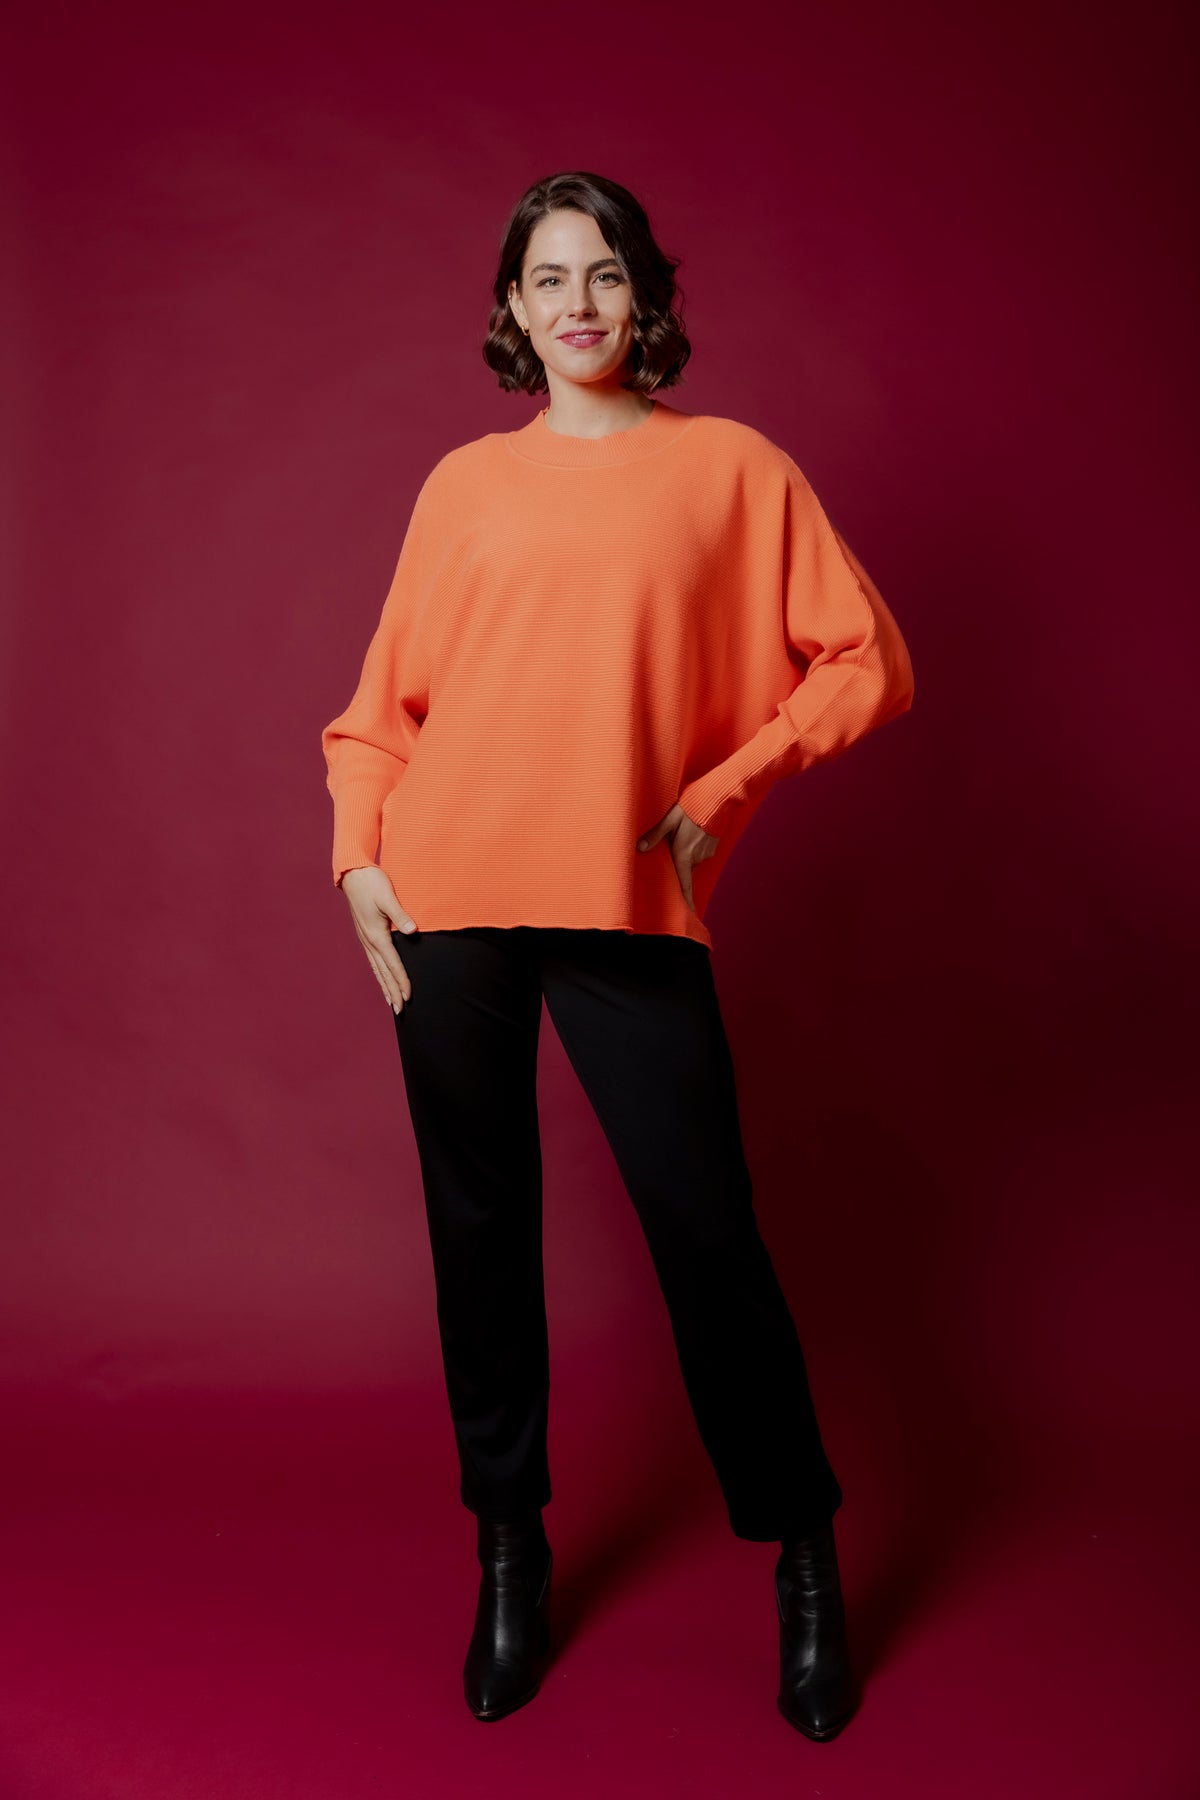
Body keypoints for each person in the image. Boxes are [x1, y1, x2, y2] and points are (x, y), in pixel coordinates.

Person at [320, 169, 914, 1741]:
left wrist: (721, 791)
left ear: (644, 293)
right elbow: (380, 711)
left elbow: (867, 658)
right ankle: (508, 1551)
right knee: (479, 1238)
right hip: (446, 896)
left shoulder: (732, 471)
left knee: (708, 1235)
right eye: (547, 279)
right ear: (513, 312)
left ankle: (803, 1553)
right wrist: (359, 856)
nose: (576, 303)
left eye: (602, 274)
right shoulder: (463, 485)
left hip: (622, 893)